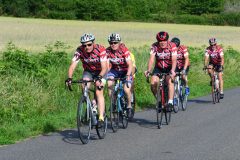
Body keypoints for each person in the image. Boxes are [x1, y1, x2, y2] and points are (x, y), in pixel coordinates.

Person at [65, 33, 108, 126]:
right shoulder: (79, 50)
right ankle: (91, 104)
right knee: (84, 85)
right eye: (84, 45)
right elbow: (72, 66)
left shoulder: (101, 49)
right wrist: (69, 78)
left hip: (101, 72)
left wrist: (99, 77)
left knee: (98, 89)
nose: (87, 47)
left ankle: (101, 118)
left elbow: (105, 67)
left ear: (93, 43)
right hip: (88, 71)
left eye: (89, 44)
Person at [144, 31, 177, 110]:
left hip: (169, 67)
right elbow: (151, 59)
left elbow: (174, 60)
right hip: (158, 67)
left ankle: (170, 101)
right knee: (153, 83)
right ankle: (159, 100)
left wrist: (172, 71)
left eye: (164, 40)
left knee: (169, 81)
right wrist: (148, 70)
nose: (162, 43)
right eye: (160, 41)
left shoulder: (172, 46)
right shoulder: (154, 46)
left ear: (167, 40)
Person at [106, 33, 133, 118]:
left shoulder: (124, 50)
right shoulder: (107, 51)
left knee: (126, 90)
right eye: (111, 43)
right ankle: (113, 102)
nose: (113, 44)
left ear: (119, 42)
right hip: (114, 70)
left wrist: (128, 74)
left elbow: (130, 64)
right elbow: (106, 65)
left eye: (115, 42)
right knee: (109, 84)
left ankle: (129, 106)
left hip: (125, 70)